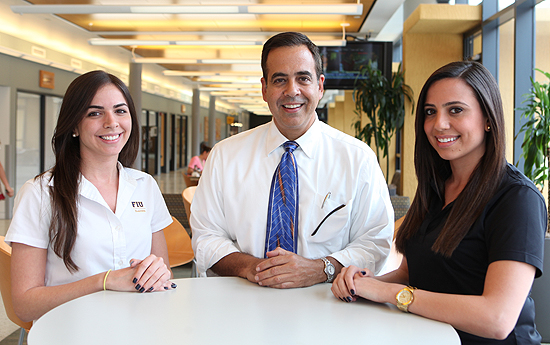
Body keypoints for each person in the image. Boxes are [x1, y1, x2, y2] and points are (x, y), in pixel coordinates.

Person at [331, 61, 546, 344]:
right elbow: (410, 273)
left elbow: (497, 319)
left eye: (455, 110)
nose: (438, 124)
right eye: (430, 112)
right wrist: (362, 284)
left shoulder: (517, 198)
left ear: (488, 119)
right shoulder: (435, 186)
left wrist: (391, 294)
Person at [190, 32, 394, 289]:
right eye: (280, 80)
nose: (292, 91)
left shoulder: (357, 159)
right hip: (242, 302)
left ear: (320, 86)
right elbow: (206, 237)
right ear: (264, 89)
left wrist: (320, 269)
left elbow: (376, 241)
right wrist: (253, 268)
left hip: (330, 304)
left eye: (303, 78)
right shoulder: (224, 156)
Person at [5, 70, 175, 322]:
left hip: (140, 325)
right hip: (73, 330)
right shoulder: (40, 193)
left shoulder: (144, 185)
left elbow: (165, 271)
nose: (111, 122)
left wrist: (157, 273)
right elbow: (25, 305)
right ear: (74, 125)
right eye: (95, 113)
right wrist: (103, 281)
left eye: (120, 110)